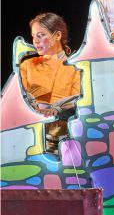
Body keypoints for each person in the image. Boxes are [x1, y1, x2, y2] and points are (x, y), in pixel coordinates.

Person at [19, 12, 80, 154]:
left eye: (40, 35)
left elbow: (79, 98)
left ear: (57, 35)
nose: (35, 41)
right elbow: (18, 94)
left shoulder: (76, 66)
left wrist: (57, 109)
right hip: (30, 130)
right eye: (33, 36)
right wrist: (35, 108)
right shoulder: (27, 65)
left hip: (63, 133)